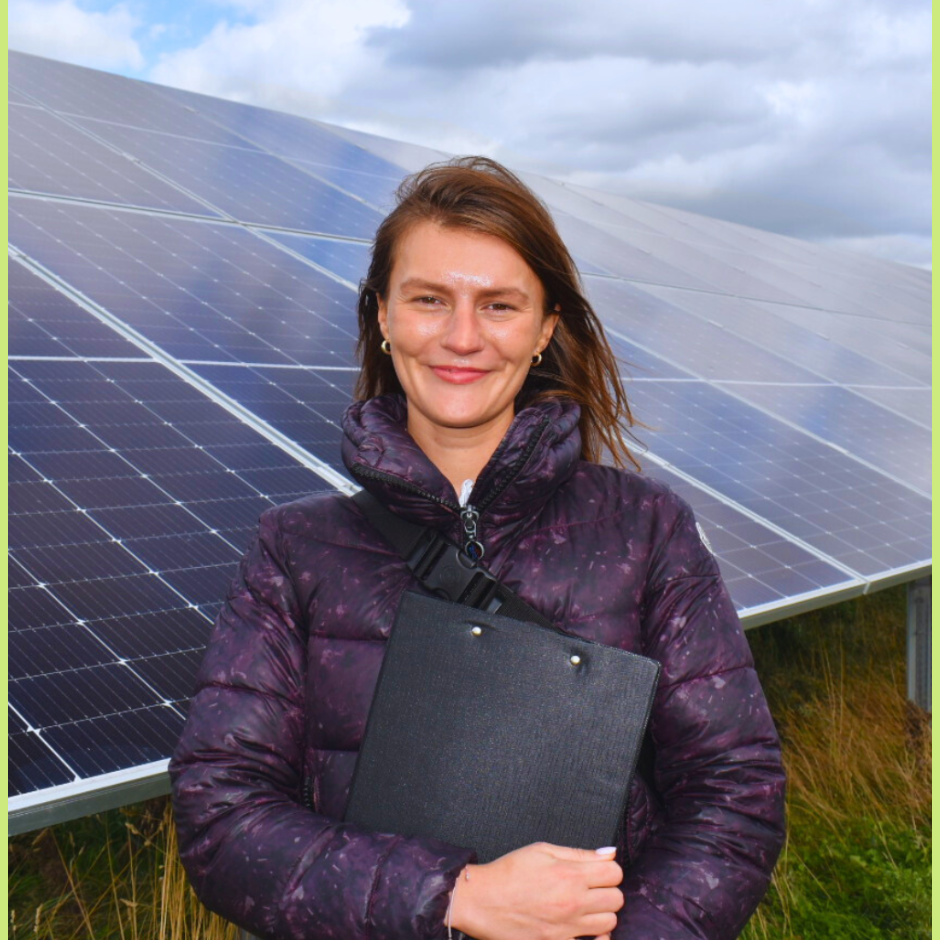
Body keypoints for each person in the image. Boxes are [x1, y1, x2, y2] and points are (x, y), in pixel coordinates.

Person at [169, 156, 786, 940]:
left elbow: (735, 792)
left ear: (544, 330)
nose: (462, 337)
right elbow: (223, 818)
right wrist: (452, 896)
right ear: (382, 316)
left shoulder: (646, 531)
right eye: (429, 300)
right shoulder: (295, 551)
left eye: (500, 305)